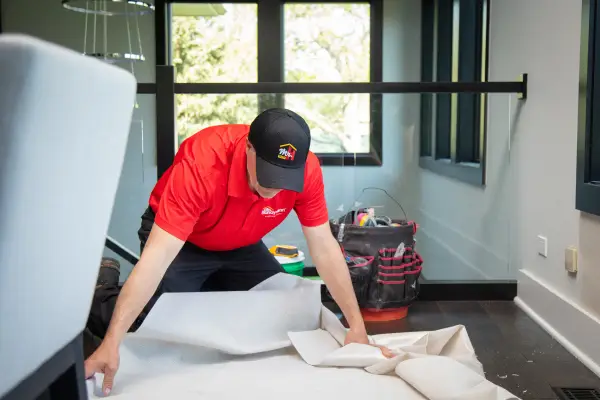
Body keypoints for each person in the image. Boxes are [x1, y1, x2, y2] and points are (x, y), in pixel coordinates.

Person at [84, 108, 391, 396]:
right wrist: (112, 342)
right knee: (154, 323)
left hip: (241, 243)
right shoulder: (201, 166)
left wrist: (357, 326)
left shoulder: (307, 171)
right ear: (249, 148)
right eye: (269, 175)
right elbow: (156, 260)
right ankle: (101, 289)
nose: (274, 189)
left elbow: (324, 247)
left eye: (285, 179)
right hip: (182, 241)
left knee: (285, 304)